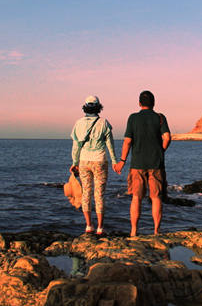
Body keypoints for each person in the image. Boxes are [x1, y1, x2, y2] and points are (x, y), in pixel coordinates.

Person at [113, 90, 171, 236]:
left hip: (137, 165)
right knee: (156, 197)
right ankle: (156, 231)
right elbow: (167, 137)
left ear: (139, 103)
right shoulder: (160, 117)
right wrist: (161, 151)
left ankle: (133, 231)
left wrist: (121, 161)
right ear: (153, 103)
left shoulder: (133, 118)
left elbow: (127, 142)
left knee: (136, 197)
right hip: (156, 164)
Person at [70, 95, 117, 235]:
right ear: (98, 107)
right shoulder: (104, 123)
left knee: (86, 193)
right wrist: (114, 161)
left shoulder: (78, 123)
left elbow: (76, 147)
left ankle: (89, 225)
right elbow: (110, 145)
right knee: (99, 194)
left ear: (85, 106)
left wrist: (74, 162)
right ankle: (100, 228)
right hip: (100, 160)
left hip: (84, 160)